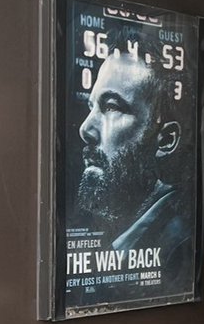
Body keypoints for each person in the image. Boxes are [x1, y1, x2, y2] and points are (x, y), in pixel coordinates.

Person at [76, 26, 192, 291]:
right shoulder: (122, 226)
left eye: (111, 107)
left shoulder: (178, 242)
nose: (85, 129)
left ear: (165, 139)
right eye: (91, 106)